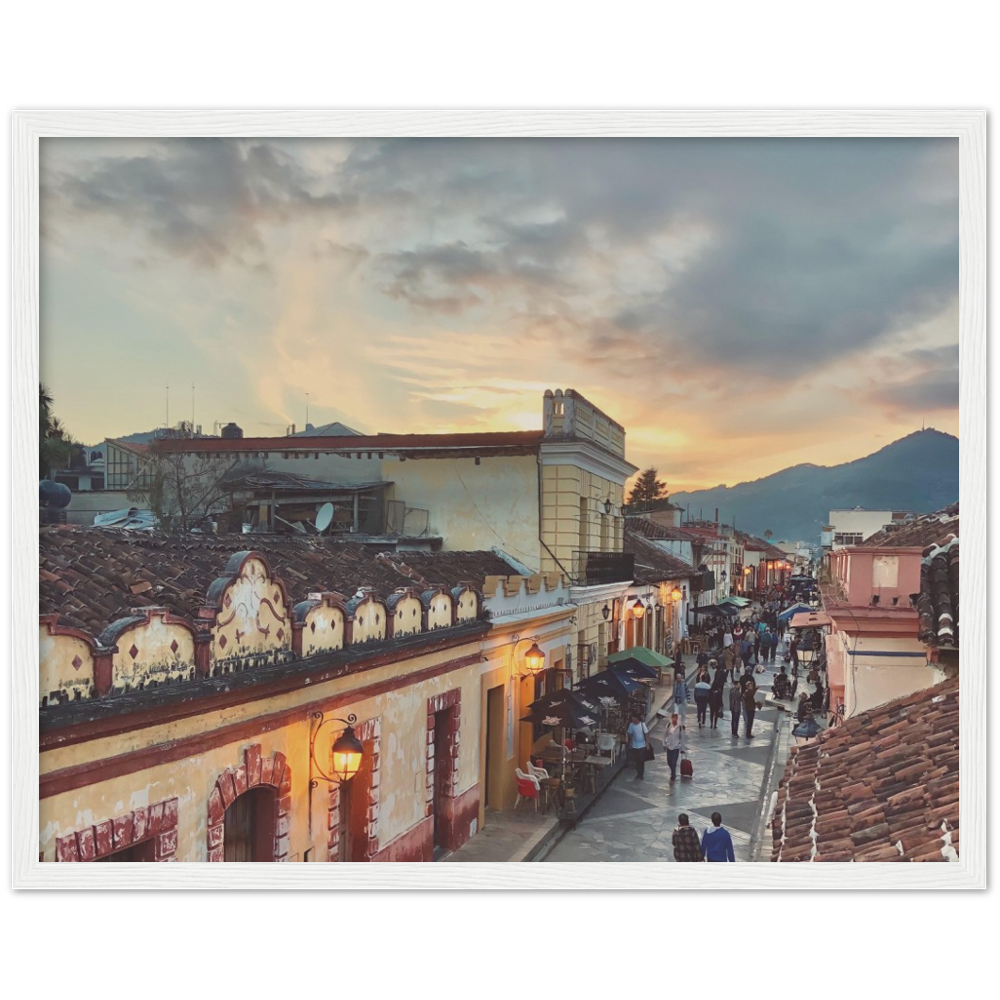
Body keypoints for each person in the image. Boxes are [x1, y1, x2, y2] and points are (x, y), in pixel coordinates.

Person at [662, 711, 686, 781]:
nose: (674, 719)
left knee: (674, 761)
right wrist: (664, 743)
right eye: (673, 717)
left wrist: (682, 748)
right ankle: (672, 771)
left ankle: (673, 774)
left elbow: (682, 738)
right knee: (669, 761)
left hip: (676, 746)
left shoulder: (680, 727)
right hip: (669, 746)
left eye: (675, 717)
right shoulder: (669, 725)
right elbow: (664, 734)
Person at [626, 712, 649, 781]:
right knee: (636, 760)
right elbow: (629, 733)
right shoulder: (631, 725)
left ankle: (641, 774)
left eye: (634, 718)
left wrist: (647, 743)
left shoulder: (642, 725)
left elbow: (646, 733)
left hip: (642, 745)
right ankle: (638, 773)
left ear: (637, 719)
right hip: (634, 745)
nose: (633, 720)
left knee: (641, 760)